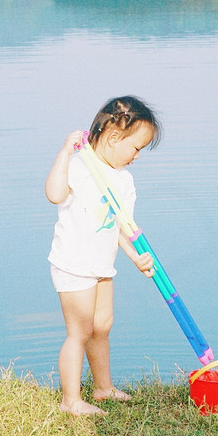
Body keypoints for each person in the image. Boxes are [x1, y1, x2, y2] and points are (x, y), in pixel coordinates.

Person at [45, 96, 161, 416]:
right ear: (113, 137)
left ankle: (103, 388)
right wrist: (65, 153)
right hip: (74, 263)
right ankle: (71, 400)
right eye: (136, 148)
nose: (137, 156)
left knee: (102, 326)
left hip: (101, 263)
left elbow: (121, 227)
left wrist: (136, 257)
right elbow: (54, 194)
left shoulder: (123, 180)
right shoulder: (80, 167)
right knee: (79, 331)